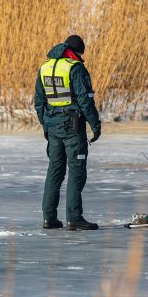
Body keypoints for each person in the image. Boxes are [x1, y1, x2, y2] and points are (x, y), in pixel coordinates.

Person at [34, 34, 102, 231]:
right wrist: (95, 125)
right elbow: (85, 100)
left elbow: (39, 102)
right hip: (72, 127)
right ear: (76, 52)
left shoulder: (44, 67)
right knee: (76, 171)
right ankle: (74, 218)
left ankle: (49, 218)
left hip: (53, 126)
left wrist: (45, 125)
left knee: (55, 170)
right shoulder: (75, 68)